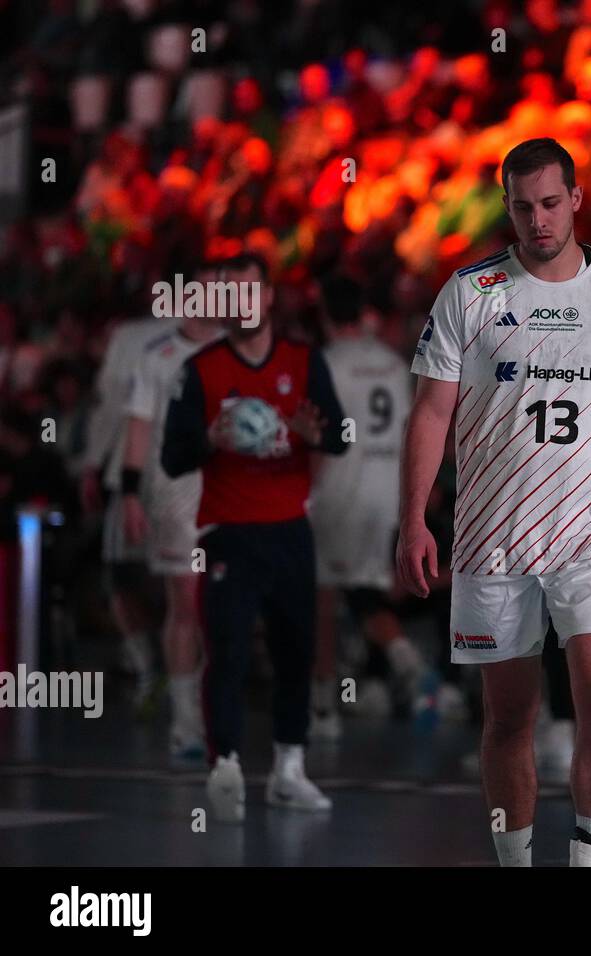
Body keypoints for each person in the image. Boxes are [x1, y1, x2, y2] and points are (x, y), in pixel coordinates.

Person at [397, 137, 591, 867]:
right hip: (493, 539)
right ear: (507, 207)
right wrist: (412, 520)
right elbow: (431, 413)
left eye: (551, 203)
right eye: (523, 207)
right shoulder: (471, 293)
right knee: (508, 718)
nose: (539, 220)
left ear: (577, 199)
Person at [161, 252, 350, 823]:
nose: (243, 304)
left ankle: (289, 770)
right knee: (230, 652)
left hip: (290, 530)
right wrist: (211, 441)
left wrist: (318, 434)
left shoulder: (304, 359)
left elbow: (340, 434)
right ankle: (226, 767)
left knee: (296, 652)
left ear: (270, 298)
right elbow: (173, 458)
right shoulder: (198, 371)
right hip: (228, 534)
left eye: (251, 292)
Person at [306, 275, 426, 741]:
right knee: (364, 590)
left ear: (325, 317)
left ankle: (324, 706)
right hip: (387, 489)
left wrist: (304, 492)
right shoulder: (392, 365)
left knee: (325, 595)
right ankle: (399, 668)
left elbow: (319, 437)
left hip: (340, 490)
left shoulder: (326, 363)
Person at [121, 260, 225, 759]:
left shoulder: (235, 349)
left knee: (221, 607)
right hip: (174, 491)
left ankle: (209, 713)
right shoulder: (157, 356)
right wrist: (128, 493)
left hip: (230, 493)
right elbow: (138, 427)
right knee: (186, 600)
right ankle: (186, 724)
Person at [84, 309, 175, 713]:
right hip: (187, 482)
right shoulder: (220, 336)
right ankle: (182, 679)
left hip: (136, 475)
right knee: (184, 583)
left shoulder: (129, 337)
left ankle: (149, 671)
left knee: (123, 576)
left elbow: (109, 408)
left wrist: (92, 462)